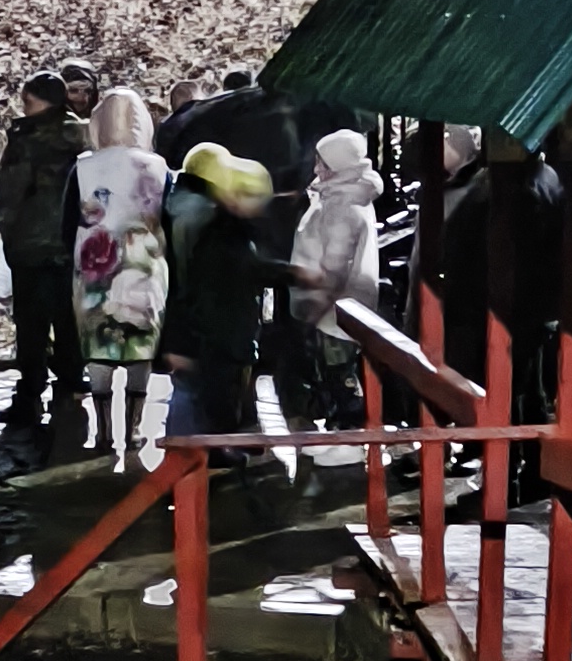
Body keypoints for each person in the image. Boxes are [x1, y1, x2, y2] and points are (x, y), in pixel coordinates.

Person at [157, 140, 282, 443]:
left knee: (195, 394)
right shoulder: (206, 217)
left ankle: (195, 454)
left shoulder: (174, 204)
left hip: (191, 325)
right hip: (205, 328)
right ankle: (197, 459)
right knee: (201, 399)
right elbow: (199, 280)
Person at [0, 68, 86, 460]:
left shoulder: (26, 138)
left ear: (36, 99)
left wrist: (5, 227)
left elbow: (9, 196)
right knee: (68, 320)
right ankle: (70, 393)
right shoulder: (83, 134)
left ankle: (29, 397)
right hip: (72, 245)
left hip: (30, 248)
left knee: (31, 327)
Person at [71, 84, 167, 460]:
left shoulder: (82, 166)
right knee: (140, 344)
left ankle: (104, 429)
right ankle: (136, 427)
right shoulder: (157, 167)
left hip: (93, 266)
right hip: (146, 264)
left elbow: (68, 220)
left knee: (98, 345)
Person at [283, 123, 384, 424]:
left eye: (322, 162)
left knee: (339, 374)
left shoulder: (342, 205)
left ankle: (347, 437)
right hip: (332, 307)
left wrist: (312, 303)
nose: (316, 168)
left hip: (333, 309)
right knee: (332, 373)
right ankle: (339, 431)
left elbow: (334, 265)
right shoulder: (339, 196)